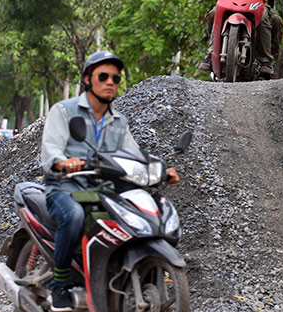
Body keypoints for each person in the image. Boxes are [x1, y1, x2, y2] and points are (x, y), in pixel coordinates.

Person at [40, 50, 180, 312]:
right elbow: (51, 150)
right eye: (103, 76)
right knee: (74, 216)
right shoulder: (64, 111)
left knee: (130, 219)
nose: (110, 82)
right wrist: (64, 162)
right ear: (87, 80)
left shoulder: (119, 121)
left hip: (103, 190)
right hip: (66, 187)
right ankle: (59, 286)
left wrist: (160, 169)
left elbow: (133, 155)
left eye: (115, 78)